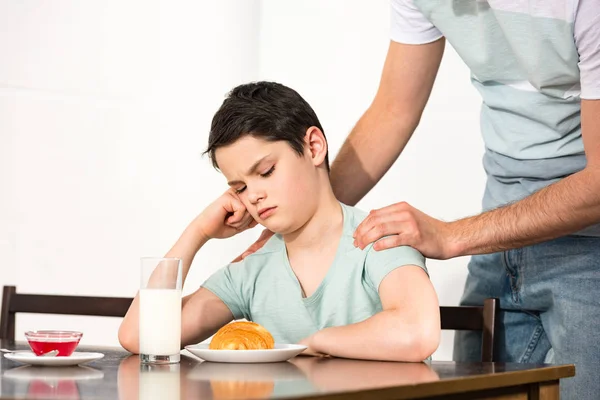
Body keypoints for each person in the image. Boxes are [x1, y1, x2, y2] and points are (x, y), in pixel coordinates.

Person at [237, 1, 600, 398]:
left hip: (588, 236)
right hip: (502, 229)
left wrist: (451, 237)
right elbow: (394, 109)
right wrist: (301, 221)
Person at [118, 81, 440, 362]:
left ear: (314, 147)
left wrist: (316, 343)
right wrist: (198, 231)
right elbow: (140, 336)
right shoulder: (252, 270)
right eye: (240, 188)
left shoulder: (380, 237)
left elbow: (418, 331)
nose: (254, 196)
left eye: (266, 171)